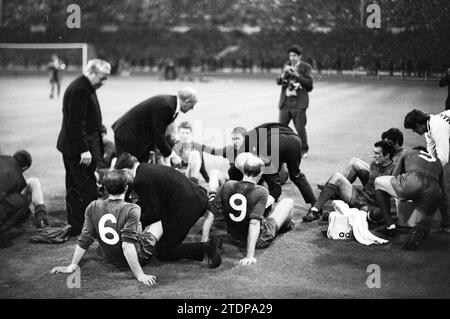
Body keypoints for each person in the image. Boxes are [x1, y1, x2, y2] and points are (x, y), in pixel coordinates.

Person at [50, 170, 221, 286]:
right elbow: (127, 245)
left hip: (111, 258)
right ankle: (199, 247)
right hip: (135, 257)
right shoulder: (132, 209)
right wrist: (140, 275)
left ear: (104, 188)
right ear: (126, 189)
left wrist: (72, 265)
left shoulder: (93, 206)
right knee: (164, 221)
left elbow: (85, 238)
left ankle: (197, 248)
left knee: (142, 229)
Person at [114, 153, 222, 267]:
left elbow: (155, 212)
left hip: (187, 208)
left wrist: (136, 220)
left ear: (125, 171)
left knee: (163, 252)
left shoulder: (141, 180)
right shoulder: (146, 169)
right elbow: (153, 202)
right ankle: (206, 247)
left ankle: (208, 247)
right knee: (162, 242)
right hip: (194, 199)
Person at [202, 154, 294, 265]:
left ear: (243, 171)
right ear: (260, 174)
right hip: (260, 239)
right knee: (288, 202)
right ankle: (287, 225)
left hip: (233, 237)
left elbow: (210, 212)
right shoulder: (262, 191)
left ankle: (286, 225)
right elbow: (254, 224)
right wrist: (249, 256)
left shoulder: (227, 185)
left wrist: (204, 240)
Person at [56, 59, 111, 236]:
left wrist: (99, 128)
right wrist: (83, 149)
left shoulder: (86, 86)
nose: (104, 82)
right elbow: (75, 123)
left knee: (76, 187)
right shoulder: (80, 88)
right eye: (103, 77)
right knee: (86, 189)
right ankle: (86, 227)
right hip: (78, 150)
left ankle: (78, 225)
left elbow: (86, 116)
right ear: (92, 72)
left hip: (78, 146)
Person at [303, 140, 395, 222]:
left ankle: (340, 213)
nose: (374, 156)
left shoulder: (394, 170)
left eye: (377, 154)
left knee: (375, 215)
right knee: (336, 177)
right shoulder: (374, 164)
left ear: (386, 155)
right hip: (360, 196)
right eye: (374, 153)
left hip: (373, 205)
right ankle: (315, 210)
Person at [373, 147, 446, 250]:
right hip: (434, 190)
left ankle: (390, 225)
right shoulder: (437, 162)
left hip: (413, 182)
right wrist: (446, 223)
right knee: (430, 201)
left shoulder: (408, 152)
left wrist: (400, 196)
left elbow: (394, 176)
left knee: (378, 182)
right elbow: (443, 195)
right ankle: (419, 229)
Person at [112, 88, 198, 163]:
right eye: (192, 105)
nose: (192, 108)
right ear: (187, 102)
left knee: (139, 168)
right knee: (125, 167)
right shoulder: (167, 106)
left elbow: (161, 133)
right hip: (127, 133)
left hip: (138, 137)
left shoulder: (172, 105)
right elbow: (158, 134)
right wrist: (171, 155)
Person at [404, 109, 450, 232]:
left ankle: (447, 223)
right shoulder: (430, 125)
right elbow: (431, 151)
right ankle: (446, 223)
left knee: (438, 180)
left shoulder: (438, 128)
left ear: (419, 125)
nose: (414, 132)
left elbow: (443, 157)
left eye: (413, 129)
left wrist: (431, 173)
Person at [0, 150, 48, 247]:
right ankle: (41, 216)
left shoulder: (3, 158)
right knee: (21, 202)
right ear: (25, 167)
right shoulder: (17, 179)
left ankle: (40, 216)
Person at [277, 45, 313, 158]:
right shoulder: (286, 66)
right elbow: (279, 82)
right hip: (286, 102)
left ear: (299, 56)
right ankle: (280, 149)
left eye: (294, 55)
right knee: (281, 128)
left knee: (300, 128)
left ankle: (303, 150)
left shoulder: (305, 67)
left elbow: (309, 85)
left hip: (299, 103)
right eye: (290, 55)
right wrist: (284, 73)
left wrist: (296, 75)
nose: (292, 58)